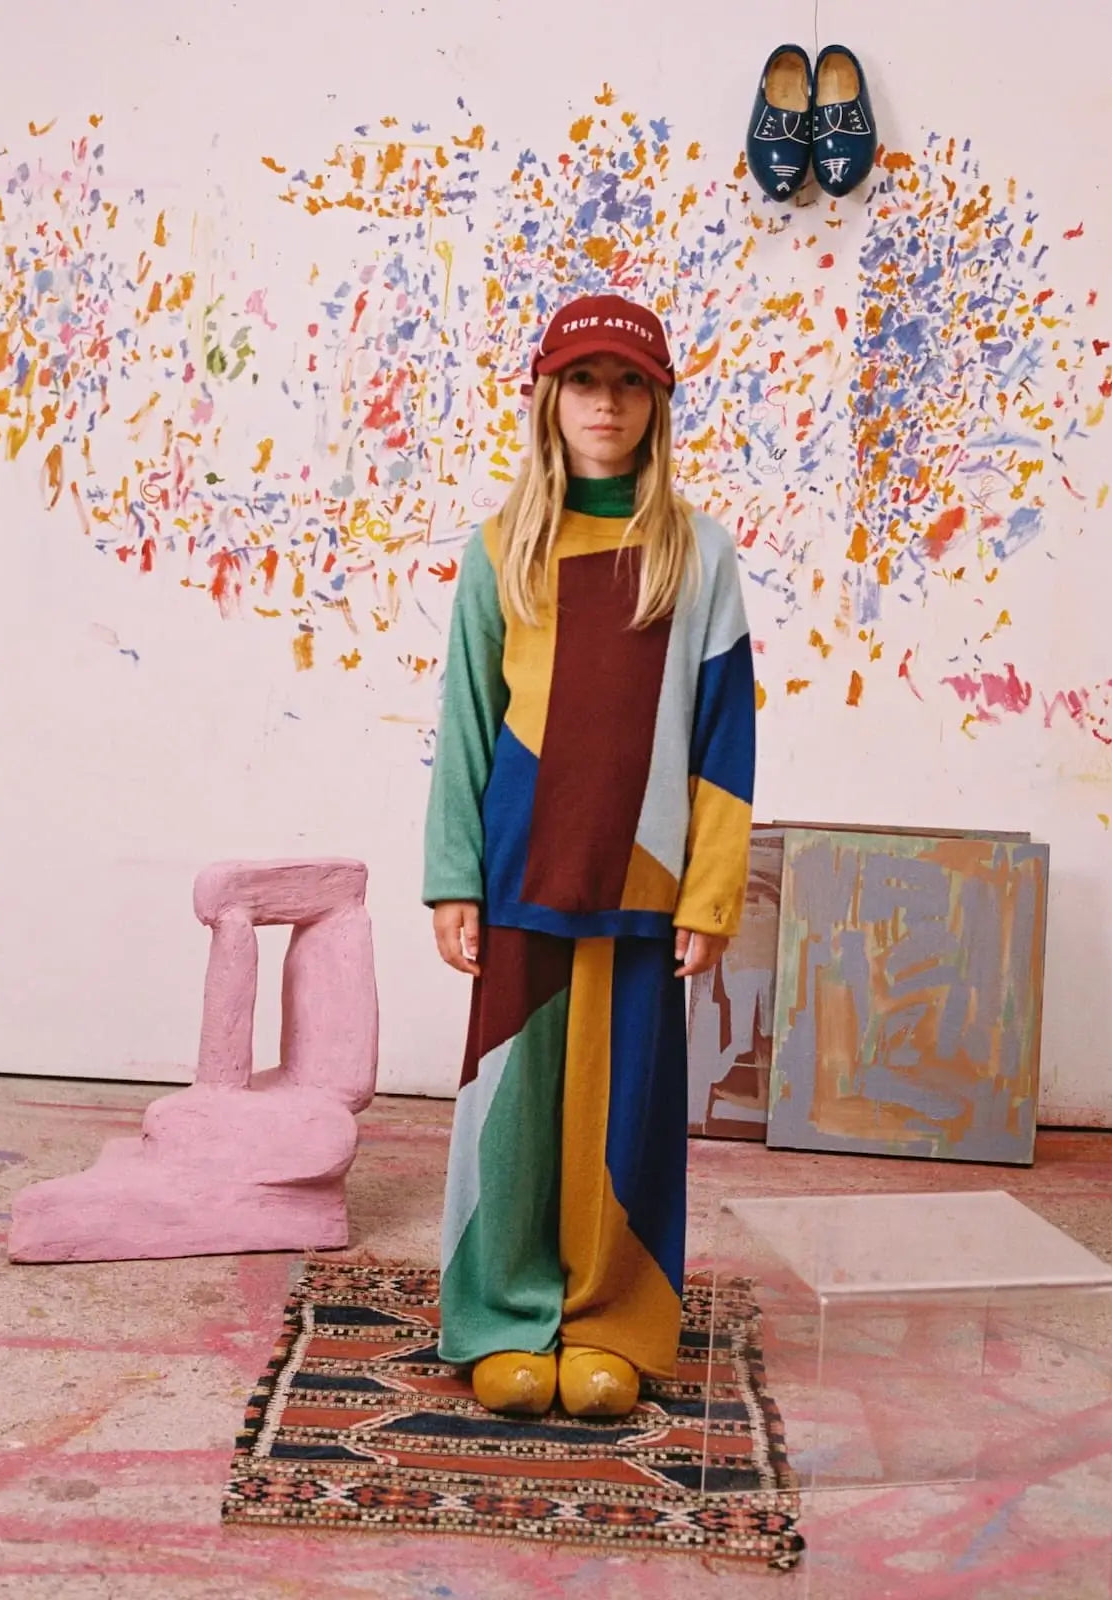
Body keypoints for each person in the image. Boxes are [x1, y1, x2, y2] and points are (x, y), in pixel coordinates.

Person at [423, 291, 756, 1418]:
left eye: (627, 383)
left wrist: (710, 893)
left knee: (629, 1113)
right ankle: (504, 1313)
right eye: (582, 381)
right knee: (510, 1115)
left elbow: (726, 738)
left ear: (656, 405)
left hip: (646, 884)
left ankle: (611, 1317)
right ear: (546, 399)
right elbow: (467, 725)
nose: (604, 403)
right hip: (522, 872)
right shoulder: (499, 549)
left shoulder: (700, 555)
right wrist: (454, 878)